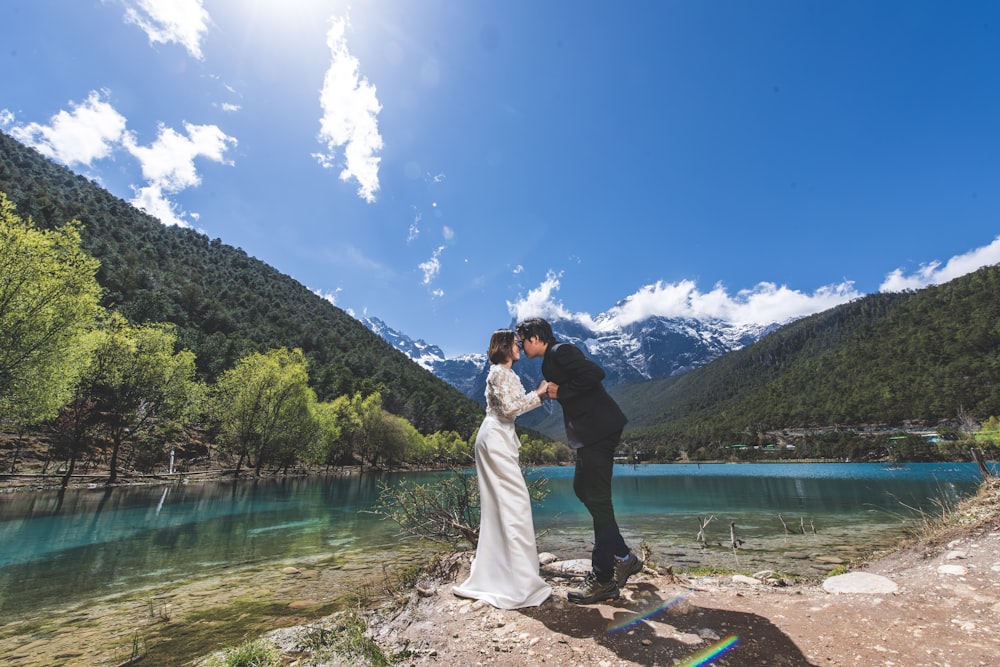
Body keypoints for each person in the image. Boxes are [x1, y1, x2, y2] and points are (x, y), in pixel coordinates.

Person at [516, 317, 642, 604]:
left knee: (597, 497)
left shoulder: (560, 351)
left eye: (522, 340)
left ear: (535, 337)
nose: (521, 346)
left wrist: (561, 391)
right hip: (590, 434)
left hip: (599, 430)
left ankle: (603, 578)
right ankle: (623, 556)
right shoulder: (549, 361)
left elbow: (595, 373)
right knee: (583, 491)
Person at [452, 329, 553, 609]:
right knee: (514, 503)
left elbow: (511, 408)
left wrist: (540, 394)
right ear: (504, 347)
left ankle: (506, 574)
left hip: (498, 438)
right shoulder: (498, 372)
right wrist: (540, 393)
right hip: (495, 439)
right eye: (515, 343)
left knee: (505, 506)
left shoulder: (505, 373)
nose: (520, 346)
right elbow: (509, 410)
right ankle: (516, 582)